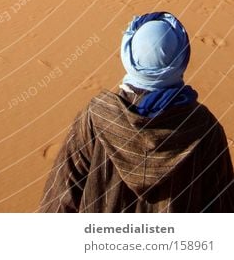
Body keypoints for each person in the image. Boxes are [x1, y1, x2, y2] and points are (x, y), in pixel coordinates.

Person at [39, 12, 234, 212]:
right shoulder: (203, 127)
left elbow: (59, 202)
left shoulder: (95, 118)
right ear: (182, 58)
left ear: (128, 55)